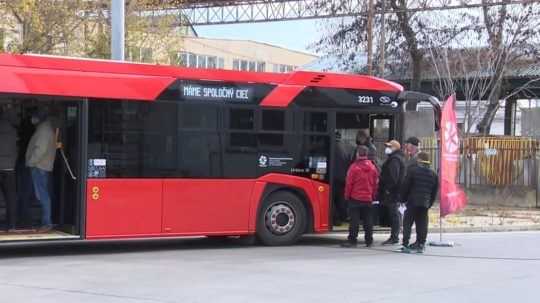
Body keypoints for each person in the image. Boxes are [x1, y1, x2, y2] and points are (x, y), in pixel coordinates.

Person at [400, 152, 439, 253]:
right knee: (422, 223)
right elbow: (434, 192)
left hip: (412, 201)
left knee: (408, 222)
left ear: (419, 160)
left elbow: (406, 186)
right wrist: (429, 203)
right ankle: (420, 243)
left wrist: (403, 199)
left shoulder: (413, 171)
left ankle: (405, 243)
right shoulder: (433, 174)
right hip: (425, 203)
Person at [341, 146, 379, 248]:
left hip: (355, 198)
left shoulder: (354, 167)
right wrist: (373, 195)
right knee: (368, 220)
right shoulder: (373, 167)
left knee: (354, 221)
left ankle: (353, 240)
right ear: (366, 154)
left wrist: (347, 196)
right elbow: (375, 184)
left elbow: (349, 184)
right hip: (368, 198)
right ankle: (369, 241)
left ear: (358, 154)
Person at [26, 110, 57, 232]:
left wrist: (31, 162)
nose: (32, 119)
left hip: (39, 166)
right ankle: (45, 222)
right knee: (43, 195)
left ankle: (46, 223)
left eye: (34, 117)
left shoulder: (43, 131)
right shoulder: (46, 129)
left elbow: (40, 149)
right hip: (42, 166)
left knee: (43, 196)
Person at [378, 139, 406, 245]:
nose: (387, 149)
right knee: (395, 214)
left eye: (390, 147)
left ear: (395, 148)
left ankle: (394, 237)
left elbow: (393, 177)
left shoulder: (394, 160)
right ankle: (394, 236)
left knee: (394, 214)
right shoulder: (396, 158)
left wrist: (388, 189)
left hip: (393, 192)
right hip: (395, 191)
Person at [0, 105, 19, 231]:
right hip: (9, 168)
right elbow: (16, 149)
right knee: (10, 198)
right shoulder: (13, 131)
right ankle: (11, 225)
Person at [333, 131, 355, 225]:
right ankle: (343, 216)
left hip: (333, 178)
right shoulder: (347, 147)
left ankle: (336, 219)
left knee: (332, 200)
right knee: (341, 199)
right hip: (344, 178)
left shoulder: (330, 145)